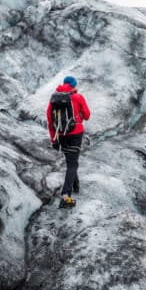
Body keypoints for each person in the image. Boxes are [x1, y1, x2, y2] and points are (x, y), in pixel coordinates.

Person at [47, 75, 90, 208]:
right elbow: (87, 115)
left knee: (71, 161)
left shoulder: (54, 98)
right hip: (75, 133)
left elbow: (50, 120)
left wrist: (54, 139)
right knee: (72, 165)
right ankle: (66, 196)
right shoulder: (77, 97)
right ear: (73, 85)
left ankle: (75, 185)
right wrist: (79, 116)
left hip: (61, 135)